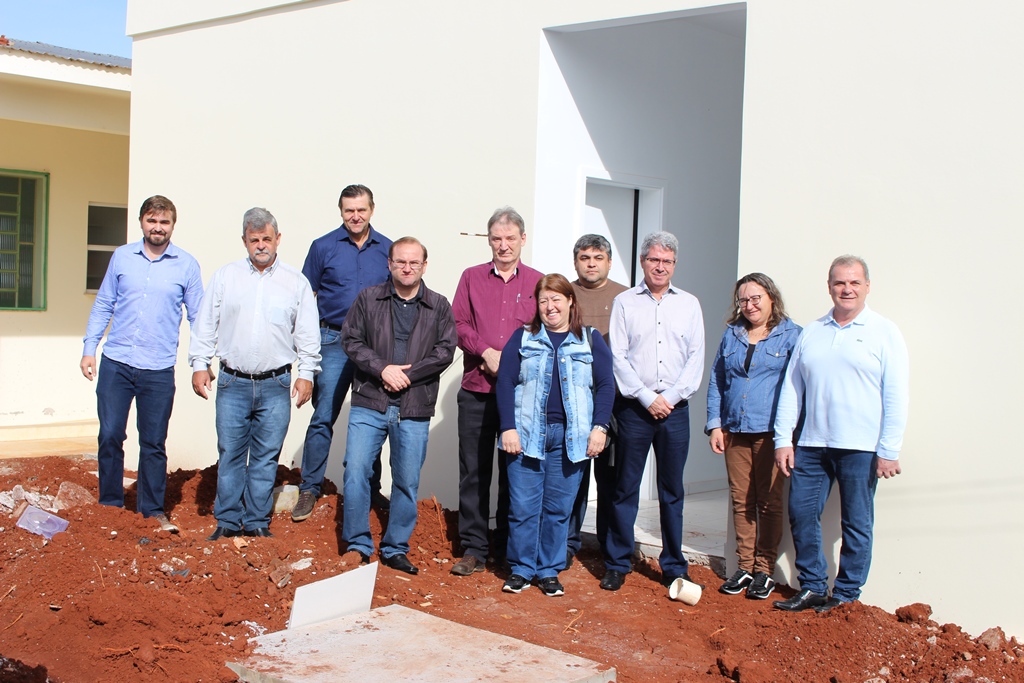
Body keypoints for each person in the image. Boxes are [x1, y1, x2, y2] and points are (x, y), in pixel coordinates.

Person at [773, 255, 909, 613]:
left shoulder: (884, 331)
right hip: (812, 444)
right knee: (801, 514)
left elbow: (896, 394)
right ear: (829, 286)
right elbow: (792, 389)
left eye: (854, 282)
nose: (846, 289)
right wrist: (783, 439)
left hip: (861, 447)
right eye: (839, 283)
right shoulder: (813, 331)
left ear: (867, 286)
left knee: (857, 523)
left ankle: (847, 595)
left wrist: (889, 449)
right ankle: (813, 586)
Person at [189, 208, 321, 540]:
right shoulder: (225, 277)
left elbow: (308, 334)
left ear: (278, 239)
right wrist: (199, 364)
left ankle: (257, 522)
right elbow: (205, 324)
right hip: (232, 381)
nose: (261, 245)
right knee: (230, 453)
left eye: (266, 238)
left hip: (276, 383)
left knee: (265, 456)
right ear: (244, 241)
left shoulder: (296, 282)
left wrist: (306, 374)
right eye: (254, 240)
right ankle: (227, 521)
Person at [80, 195, 203, 534]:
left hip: (158, 369)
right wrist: (90, 348)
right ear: (141, 222)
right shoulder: (122, 257)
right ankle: (110, 506)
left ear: (172, 225)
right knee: (110, 435)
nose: (157, 227)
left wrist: (200, 363)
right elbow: (104, 304)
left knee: (153, 443)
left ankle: (151, 511)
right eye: (152, 220)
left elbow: (199, 319)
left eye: (164, 222)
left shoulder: (187, 265)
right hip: (117, 363)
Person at [338, 237, 456, 574]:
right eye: (400, 262)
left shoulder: (439, 305)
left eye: (414, 262)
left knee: (406, 481)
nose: (407, 268)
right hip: (369, 400)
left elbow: (445, 351)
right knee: (356, 471)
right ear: (389, 264)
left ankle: (394, 548)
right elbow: (351, 339)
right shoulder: (368, 299)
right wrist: (382, 369)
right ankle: (358, 545)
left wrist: (406, 375)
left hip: (414, 406)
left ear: (424, 266)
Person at [496, 274, 615, 596]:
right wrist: (508, 427)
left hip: (571, 439)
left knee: (558, 510)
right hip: (526, 435)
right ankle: (522, 569)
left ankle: (549, 570)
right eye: (543, 300)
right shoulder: (523, 337)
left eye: (556, 299)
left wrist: (599, 428)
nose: (550, 306)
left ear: (570, 301)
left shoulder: (590, 339)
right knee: (523, 508)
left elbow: (606, 385)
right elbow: (505, 382)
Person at [601, 231, 705, 591]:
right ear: (643, 261)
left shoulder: (689, 304)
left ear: (674, 264)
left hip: (675, 410)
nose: (660, 266)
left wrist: (670, 397)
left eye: (667, 261)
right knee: (625, 487)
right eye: (654, 260)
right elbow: (618, 356)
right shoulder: (625, 302)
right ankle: (617, 562)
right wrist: (647, 397)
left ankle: (674, 564)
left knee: (671, 490)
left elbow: (696, 357)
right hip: (634, 409)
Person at [450, 207, 543, 576]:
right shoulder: (471, 277)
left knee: (513, 474)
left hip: (519, 396)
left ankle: (507, 548)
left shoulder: (538, 282)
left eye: (510, 238)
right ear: (488, 240)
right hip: (476, 389)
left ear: (523, 239)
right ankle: (474, 548)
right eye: (497, 239)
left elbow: (546, 330)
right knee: (473, 472)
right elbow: (458, 322)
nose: (504, 245)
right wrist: (485, 352)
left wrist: (513, 361)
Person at [293, 185, 392, 523]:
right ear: (340, 211)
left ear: (372, 210)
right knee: (323, 415)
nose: (355, 216)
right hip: (332, 340)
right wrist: (306, 349)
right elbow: (305, 299)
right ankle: (310, 487)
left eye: (361, 209)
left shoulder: (388, 249)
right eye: (349, 210)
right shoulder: (323, 247)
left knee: (373, 417)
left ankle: (371, 488)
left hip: (374, 346)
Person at [706, 273, 801, 600]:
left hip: (772, 434)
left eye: (755, 298)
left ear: (771, 297)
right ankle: (744, 567)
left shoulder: (792, 336)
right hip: (735, 430)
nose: (749, 305)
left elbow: (798, 388)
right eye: (743, 300)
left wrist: (791, 435)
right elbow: (717, 380)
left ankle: (764, 570)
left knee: (770, 503)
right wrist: (715, 424)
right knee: (741, 500)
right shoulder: (732, 334)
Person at [566, 234, 628, 569]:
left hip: (613, 400)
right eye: (585, 257)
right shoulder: (565, 294)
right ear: (576, 261)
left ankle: (609, 549)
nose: (591, 264)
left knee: (610, 480)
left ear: (609, 262)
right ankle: (567, 544)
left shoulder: (625, 297)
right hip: (572, 400)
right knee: (572, 479)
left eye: (598, 257)